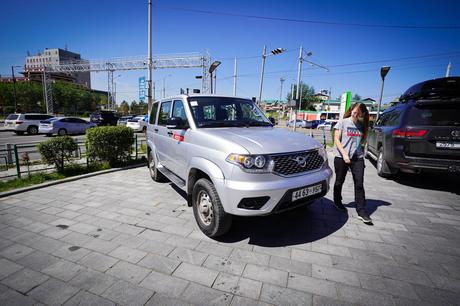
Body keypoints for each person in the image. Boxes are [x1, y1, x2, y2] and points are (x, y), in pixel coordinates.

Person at [332, 102, 372, 224]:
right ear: (351, 110)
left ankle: (361, 210)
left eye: (359, 113)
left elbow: (361, 141)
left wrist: (360, 151)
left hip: (357, 158)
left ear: (362, 114)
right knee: (339, 181)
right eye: (354, 112)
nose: (356, 115)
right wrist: (344, 154)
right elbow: (336, 140)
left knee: (359, 183)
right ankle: (337, 201)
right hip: (341, 156)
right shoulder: (343, 122)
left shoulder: (361, 125)